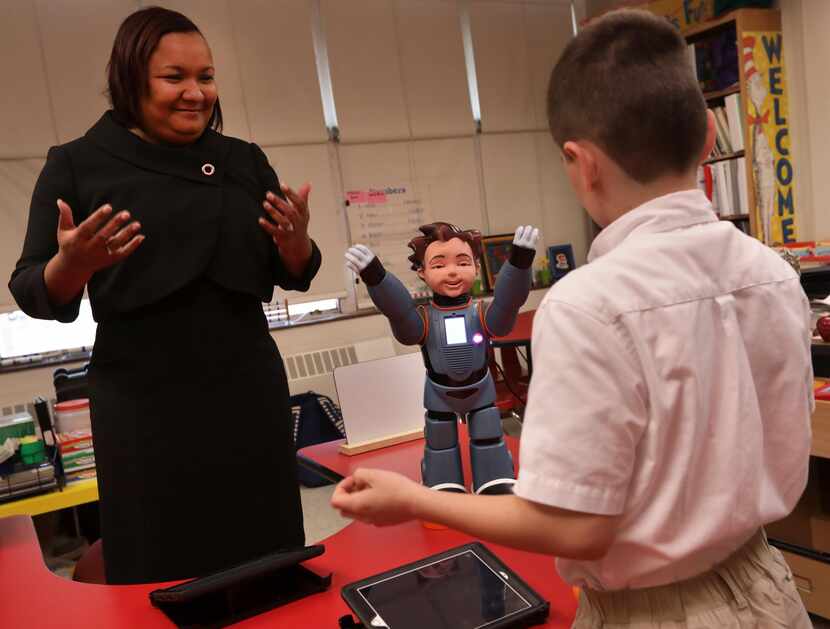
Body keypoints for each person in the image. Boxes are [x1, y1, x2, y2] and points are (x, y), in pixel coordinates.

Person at [331, 9, 813, 627]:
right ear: (705, 141)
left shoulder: (586, 305)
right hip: (768, 586)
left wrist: (416, 500)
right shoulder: (775, 274)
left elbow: (577, 528)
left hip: (651, 612)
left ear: (580, 163)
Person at [9, 7, 321, 584]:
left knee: (266, 557)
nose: (195, 93)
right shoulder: (77, 164)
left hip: (247, 393)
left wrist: (296, 244)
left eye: (205, 77)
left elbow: (292, 269)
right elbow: (30, 287)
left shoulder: (242, 160)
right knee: (163, 568)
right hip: (144, 407)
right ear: (131, 78)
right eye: (174, 77)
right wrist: (71, 265)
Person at [344, 223, 538, 495]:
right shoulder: (424, 319)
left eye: (462, 262)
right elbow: (401, 316)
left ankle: (493, 479)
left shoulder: (480, 314)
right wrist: (376, 276)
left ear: (477, 267)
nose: (452, 272)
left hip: (480, 390)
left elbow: (507, 306)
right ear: (422, 273)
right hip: (438, 393)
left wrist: (519, 262)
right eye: (438, 265)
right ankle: (443, 482)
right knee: (440, 442)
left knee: (488, 436)